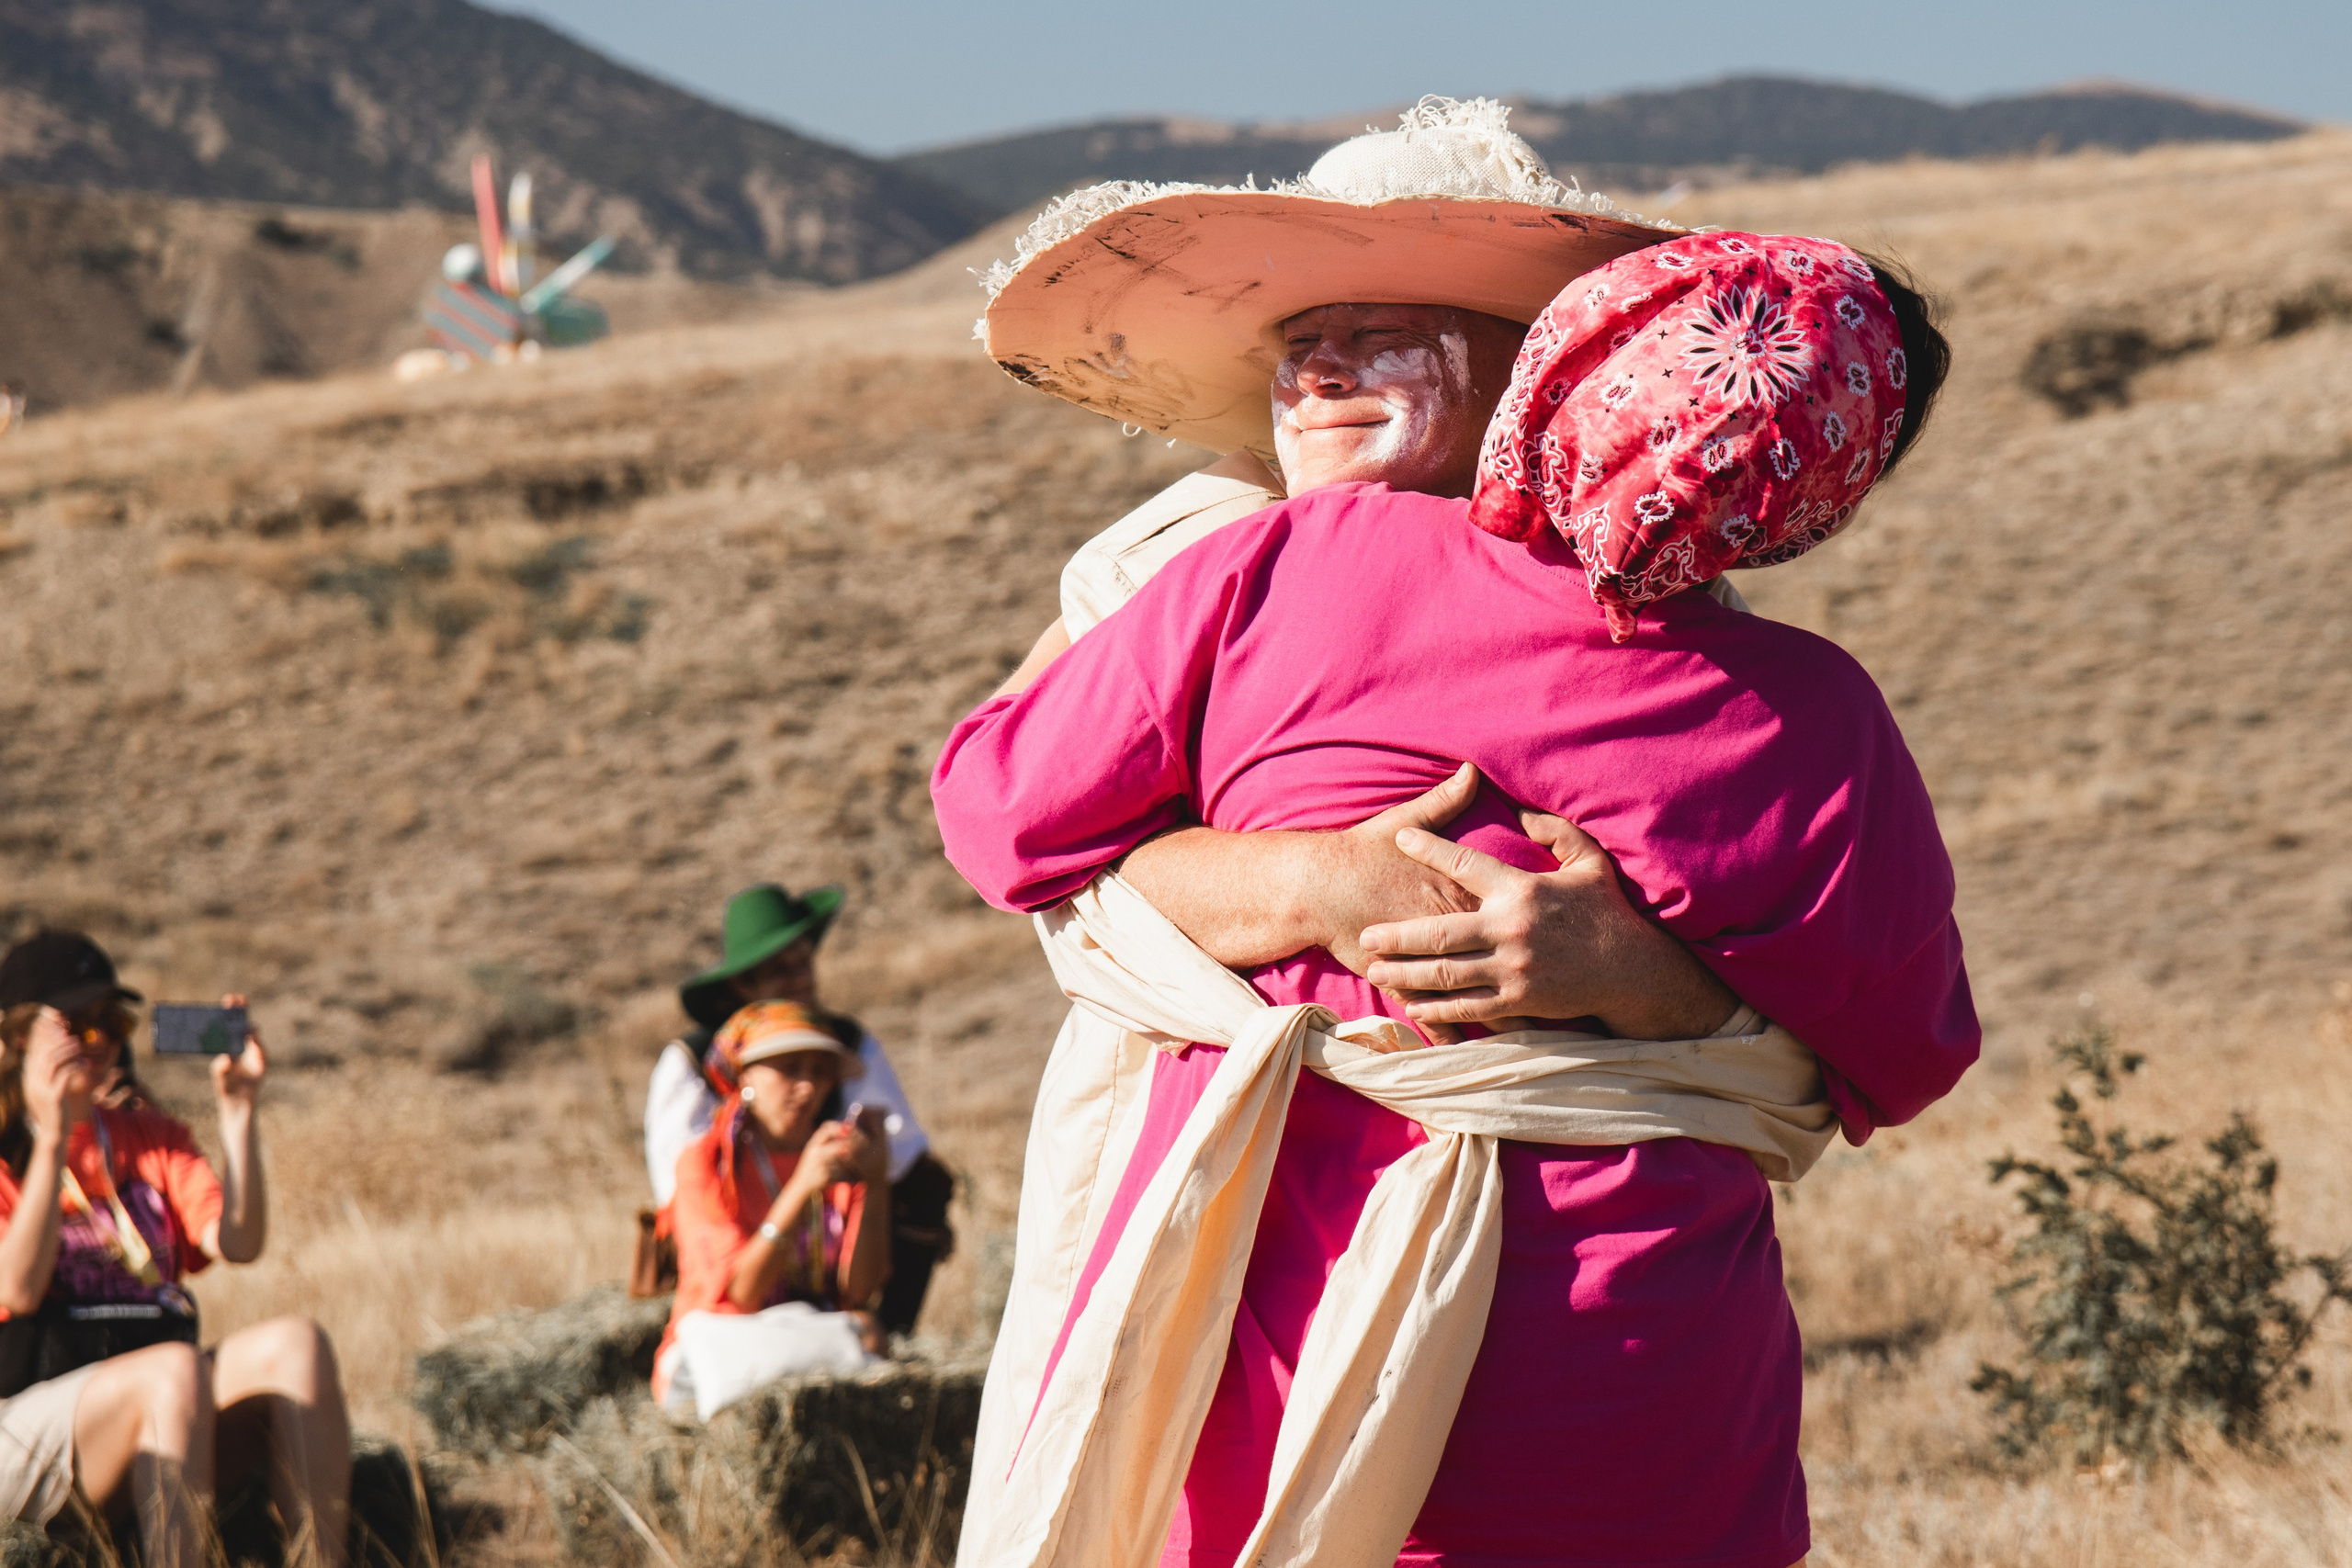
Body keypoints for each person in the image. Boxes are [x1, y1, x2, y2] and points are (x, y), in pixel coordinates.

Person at [936, 103, 1973, 1568]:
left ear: (1544, 357)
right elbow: (1905, 1048)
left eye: (1387, 327)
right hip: (1638, 1394)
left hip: (1290, 1325)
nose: (1316, 364)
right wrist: (1328, 881)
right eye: (1301, 333)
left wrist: (1618, 966)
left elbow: (994, 808)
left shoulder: (1267, 569)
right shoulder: (1805, 706)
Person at [0, 931, 349, 1567]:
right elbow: (16, 1290)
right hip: (25, 1419)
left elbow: (237, 1241)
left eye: (114, 1020)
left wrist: (239, 1109)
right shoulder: (8, 1148)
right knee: (175, 1370)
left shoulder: (148, 1135)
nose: (101, 1040)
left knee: (298, 1344)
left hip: (162, 1396)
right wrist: (51, 1138)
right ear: (18, 1035)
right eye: (79, 1023)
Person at [641, 883, 952, 1335]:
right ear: (743, 984)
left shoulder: (847, 1041)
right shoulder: (690, 1061)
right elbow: (679, 1188)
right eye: (781, 970)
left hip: (830, 1197)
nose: (801, 980)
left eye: (804, 963)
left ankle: (892, 1332)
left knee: (927, 1187)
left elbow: (899, 1145)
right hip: (730, 1217)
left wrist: (862, 1178)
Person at [650, 1001, 891, 1418]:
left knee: (870, 1332)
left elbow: (858, 1292)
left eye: (820, 1072)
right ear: (744, 1077)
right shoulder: (706, 1163)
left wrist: (875, 1182)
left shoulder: (835, 1161)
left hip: (807, 1336)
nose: (808, 1087)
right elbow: (740, 1294)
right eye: (790, 1068)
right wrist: (801, 1187)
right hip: (722, 1344)